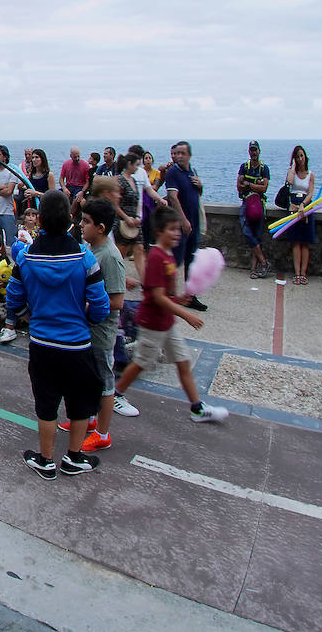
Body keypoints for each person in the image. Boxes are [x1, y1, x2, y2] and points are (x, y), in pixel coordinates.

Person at [5, 190, 110, 480]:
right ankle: (74, 458)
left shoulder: (25, 258)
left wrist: (29, 315)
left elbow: (13, 300)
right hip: (77, 343)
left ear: (38, 220)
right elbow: (101, 306)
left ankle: (46, 460)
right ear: (70, 219)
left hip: (42, 343)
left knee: (46, 404)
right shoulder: (85, 258)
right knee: (79, 404)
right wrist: (84, 319)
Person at [112, 206, 230, 425]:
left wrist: (179, 300)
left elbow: (164, 296)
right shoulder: (157, 257)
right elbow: (156, 297)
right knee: (141, 363)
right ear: (159, 231)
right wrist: (186, 314)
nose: (177, 233)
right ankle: (116, 395)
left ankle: (197, 408)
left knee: (183, 361)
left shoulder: (168, 256)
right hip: (153, 323)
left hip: (166, 322)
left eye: (177, 229)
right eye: (172, 229)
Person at [74, 199, 138, 453]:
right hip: (88, 327)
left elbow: (117, 300)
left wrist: (85, 308)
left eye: (86, 222)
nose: (81, 225)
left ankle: (103, 432)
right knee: (88, 377)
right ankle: (88, 421)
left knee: (104, 380)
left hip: (101, 330)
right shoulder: (91, 249)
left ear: (101, 227)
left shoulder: (110, 257)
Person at [163, 142, 207, 311]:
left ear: (189, 155)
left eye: (182, 153)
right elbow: (173, 197)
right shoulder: (173, 172)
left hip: (194, 222)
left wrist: (200, 186)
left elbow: (197, 194)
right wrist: (183, 220)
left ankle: (190, 296)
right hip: (181, 224)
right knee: (175, 260)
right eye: (176, 153)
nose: (178, 156)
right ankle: (168, 295)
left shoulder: (192, 172)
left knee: (191, 260)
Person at [280, 145, 317, 285]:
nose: (300, 159)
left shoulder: (311, 174)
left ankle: (303, 273)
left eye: (302, 156)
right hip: (293, 206)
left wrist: (303, 205)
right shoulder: (292, 172)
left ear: (305, 157)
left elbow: (311, 192)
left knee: (305, 242)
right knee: (295, 241)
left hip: (306, 206)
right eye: (297, 156)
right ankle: (297, 273)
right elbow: (289, 182)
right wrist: (293, 166)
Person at [238, 141, 272, 279]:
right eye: (251, 150)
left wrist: (248, 184)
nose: (253, 152)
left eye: (255, 150)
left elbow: (264, 188)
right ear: (249, 151)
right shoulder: (244, 167)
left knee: (256, 235)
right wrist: (256, 185)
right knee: (247, 231)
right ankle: (264, 262)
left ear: (259, 151)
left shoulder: (264, 168)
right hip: (247, 202)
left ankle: (254, 268)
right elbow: (239, 187)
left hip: (259, 204)